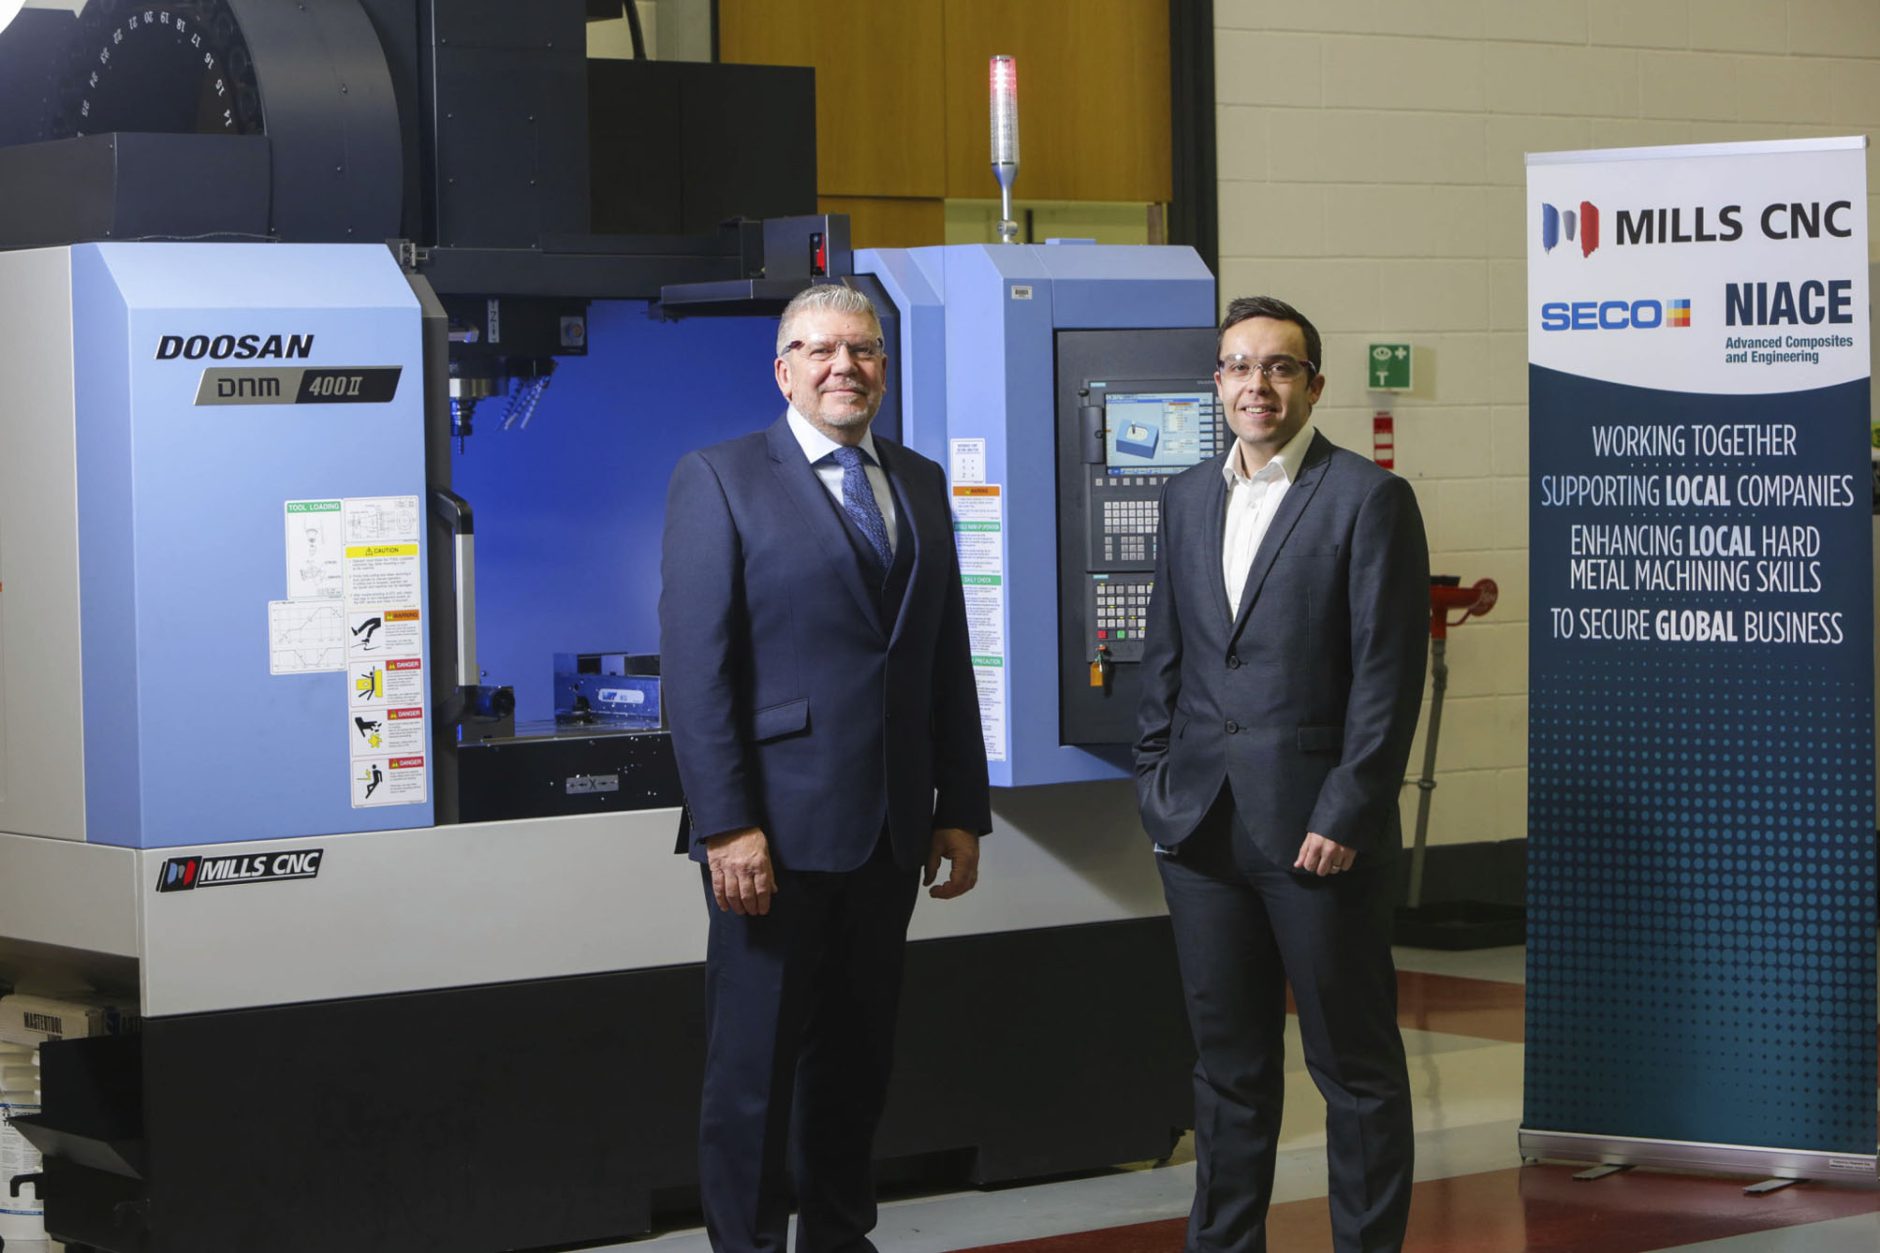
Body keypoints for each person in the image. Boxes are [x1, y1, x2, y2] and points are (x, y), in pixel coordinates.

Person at [659, 283, 991, 1253]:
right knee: (754, 1076)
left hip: (889, 832)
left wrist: (960, 805)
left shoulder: (918, 481)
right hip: (772, 836)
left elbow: (943, 654)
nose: (844, 366)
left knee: (855, 1066)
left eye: (864, 349)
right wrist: (726, 824)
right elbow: (695, 670)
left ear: (884, 366)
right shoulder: (720, 478)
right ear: (783, 370)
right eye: (820, 349)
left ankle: (841, 1239)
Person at [1134, 296, 1429, 1252]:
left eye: (1279, 366)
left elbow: (1387, 676)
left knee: (1355, 1071)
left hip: (1317, 832)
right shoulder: (1185, 497)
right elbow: (1166, 658)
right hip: (1200, 829)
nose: (1256, 384)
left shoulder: (1367, 499)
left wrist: (1349, 808)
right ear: (1216, 382)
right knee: (1227, 1070)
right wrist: (1156, 782)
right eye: (1238, 366)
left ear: (1313, 384)